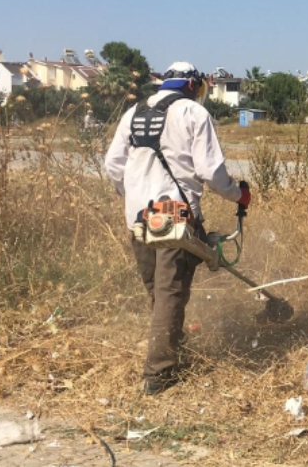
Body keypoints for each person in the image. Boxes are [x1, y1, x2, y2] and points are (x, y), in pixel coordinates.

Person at [104, 62, 251, 395]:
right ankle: (160, 373)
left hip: (138, 215)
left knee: (158, 291)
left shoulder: (133, 113)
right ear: (192, 85)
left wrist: (132, 195)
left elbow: (113, 165)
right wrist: (238, 194)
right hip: (174, 215)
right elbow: (212, 173)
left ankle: (173, 346)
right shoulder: (194, 113)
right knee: (170, 292)